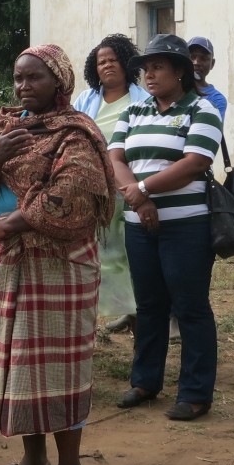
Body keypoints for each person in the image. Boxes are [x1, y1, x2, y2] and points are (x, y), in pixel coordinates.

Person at [0, 44, 115, 465]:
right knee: (16, 361)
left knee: (57, 365)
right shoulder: (9, 129)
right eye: (18, 78)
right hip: (8, 264)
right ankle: (33, 461)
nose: (23, 87)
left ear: (59, 83)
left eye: (34, 78)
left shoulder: (76, 134)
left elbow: (71, 199)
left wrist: (7, 224)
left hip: (59, 265)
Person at [109, 34, 223, 421]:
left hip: (186, 227)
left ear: (180, 71)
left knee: (190, 307)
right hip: (138, 226)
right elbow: (115, 158)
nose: (149, 74)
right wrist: (138, 201)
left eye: (158, 67)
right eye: (145, 68)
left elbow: (194, 163)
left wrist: (141, 191)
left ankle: (195, 392)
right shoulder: (134, 113)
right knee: (149, 305)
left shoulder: (202, 110)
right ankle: (145, 382)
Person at [72, 34, 149, 332]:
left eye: (112, 60)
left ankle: (139, 312)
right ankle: (118, 309)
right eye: (101, 62)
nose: (107, 66)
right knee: (103, 253)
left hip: (130, 186)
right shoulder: (85, 99)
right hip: (94, 189)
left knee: (131, 252)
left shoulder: (142, 99)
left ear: (125, 63)